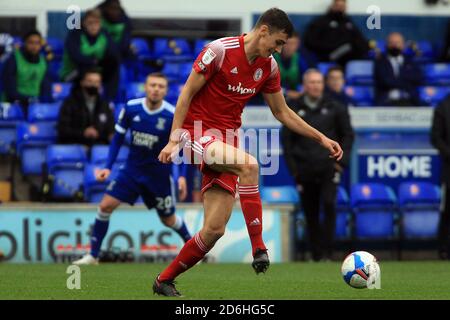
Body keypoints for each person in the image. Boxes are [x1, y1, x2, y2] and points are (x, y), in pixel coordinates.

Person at [153, 8, 343, 297]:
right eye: (278, 43)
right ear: (263, 30)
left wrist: (321, 137)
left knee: (214, 230)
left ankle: (163, 281)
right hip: (196, 133)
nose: (279, 51)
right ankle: (259, 248)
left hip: (226, 143)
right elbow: (186, 94)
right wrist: (174, 139)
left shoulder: (268, 67)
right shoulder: (218, 51)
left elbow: (282, 112)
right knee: (250, 166)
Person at [73, 72, 191, 265]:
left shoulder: (172, 115)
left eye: (161, 86)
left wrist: (182, 177)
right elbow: (117, 139)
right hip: (132, 171)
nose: (156, 89)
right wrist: (108, 167)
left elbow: (183, 147)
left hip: (158, 175)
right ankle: (93, 255)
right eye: (152, 85)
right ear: (145, 87)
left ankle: (192, 247)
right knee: (105, 206)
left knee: (168, 219)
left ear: (166, 91)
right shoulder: (131, 108)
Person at [281, 69, 354, 262]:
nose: (315, 86)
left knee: (330, 206)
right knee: (310, 213)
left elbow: (348, 135)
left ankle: (329, 253)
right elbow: (286, 142)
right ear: (304, 85)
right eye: (312, 82)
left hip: (329, 169)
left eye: (319, 82)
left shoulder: (336, 107)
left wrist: (341, 164)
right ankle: (316, 255)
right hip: (304, 170)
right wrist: (294, 172)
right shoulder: (293, 108)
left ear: (323, 84)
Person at [60, 8, 120, 101]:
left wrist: (99, 62)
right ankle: (80, 102)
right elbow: (76, 57)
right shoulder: (75, 35)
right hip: (74, 73)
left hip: (96, 71)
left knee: (114, 66)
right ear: (84, 23)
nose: (93, 26)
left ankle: (109, 101)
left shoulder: (104, 34)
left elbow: (114, 54)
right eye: (90, 23)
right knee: (85, 67)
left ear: (100, 24)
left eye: (96, 23)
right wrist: (94, 61)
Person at [57, 68, 114, 147]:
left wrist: (106, 135)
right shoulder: (70, 103)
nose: (93, 85)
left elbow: (111, 129)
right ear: (82, 82)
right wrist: (83, 132)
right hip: (75, 146)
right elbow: (63, 130)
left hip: (99, 147)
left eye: (97, 82)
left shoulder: (104, 105)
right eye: (90, 81)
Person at [1, 30, 52, 115]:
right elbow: (10, 89)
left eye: (37, 43)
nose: (34, 46)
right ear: (24, 43)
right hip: (14, 105)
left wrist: (42, 101)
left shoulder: (44, 61)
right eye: (31, 43)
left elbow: (46, 86)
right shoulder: (13, 60)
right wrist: (28, 100)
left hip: (35, 106)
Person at [303, 0, 369, 66]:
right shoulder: (321, 22)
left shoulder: (348, 23)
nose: (340, 8)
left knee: (366, 50)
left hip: (349, 55)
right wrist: (329, 47)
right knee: (349, 46)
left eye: (342, 6)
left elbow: (360, 39)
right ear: (332, 6)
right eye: (338, 6)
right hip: (328, 55)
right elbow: (310, 41)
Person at [374, 32, 422, 106]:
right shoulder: (380, 62)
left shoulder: (410, 61)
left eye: (397, 43)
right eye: (391, 43)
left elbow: (417, 78)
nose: (394, 45)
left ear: (403, 45)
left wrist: (396, 80)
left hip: (409, 100)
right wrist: (406, 81)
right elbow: (385, 81)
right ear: (386, 45)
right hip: (387, 101)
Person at [430, 94, 450, 260]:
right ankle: (444, 249)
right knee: (447, 210)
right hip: (449, 168)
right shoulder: (443, 106)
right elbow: (435, 137)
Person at [273, 32, 316, 100]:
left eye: (293, 43)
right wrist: (286, 92)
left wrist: (302, 91)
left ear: (298, 45)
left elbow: (309, 78)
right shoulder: (272, 59)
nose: (289, 47)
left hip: (297, 96)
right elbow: (265, 84)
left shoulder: (302, 60)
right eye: (287, 43)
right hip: (274, 96)